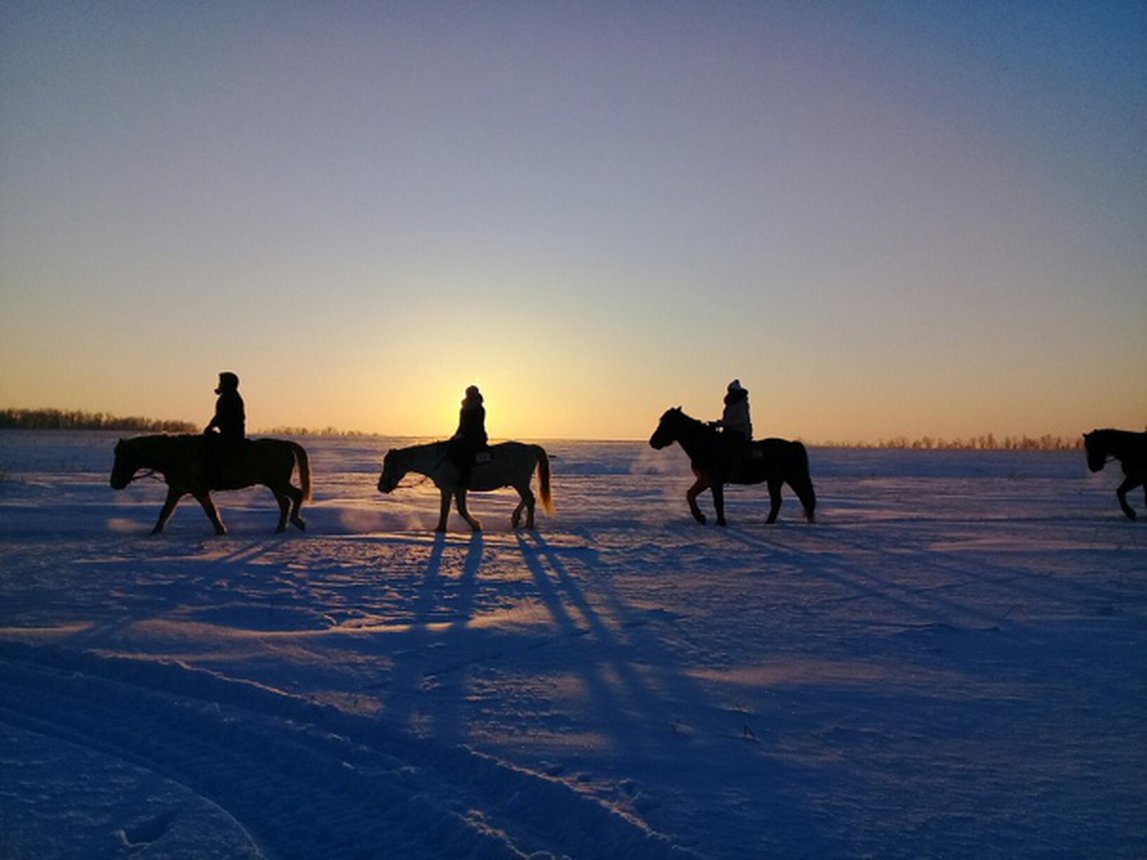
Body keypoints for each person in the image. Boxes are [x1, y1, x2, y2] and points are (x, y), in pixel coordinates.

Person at [203, 371, 246, 481]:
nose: (219, 385)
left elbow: (223, 416)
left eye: (221, 382)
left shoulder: (230, 397)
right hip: (227, 432)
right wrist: (210, 426)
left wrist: (211, 426)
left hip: (232, 434)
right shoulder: (226, 396)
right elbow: (219, 416)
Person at [448, 385, 488, 487]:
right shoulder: (463, 408)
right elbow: (461, 424)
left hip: (476, 437)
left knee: (465, 455)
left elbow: (477, 425)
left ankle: (465, 479)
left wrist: (463, 435)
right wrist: (456, 436)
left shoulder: (479, 408)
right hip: (463, 436)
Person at [715, 379, 752, 479]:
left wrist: (723, 424)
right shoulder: (729, 405)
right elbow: (727, 419)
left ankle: (733, 469)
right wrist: (718, 423)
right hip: (729, 431)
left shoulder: (742, 404)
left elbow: (741, 421)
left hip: (740, 432)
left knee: (732, 445)